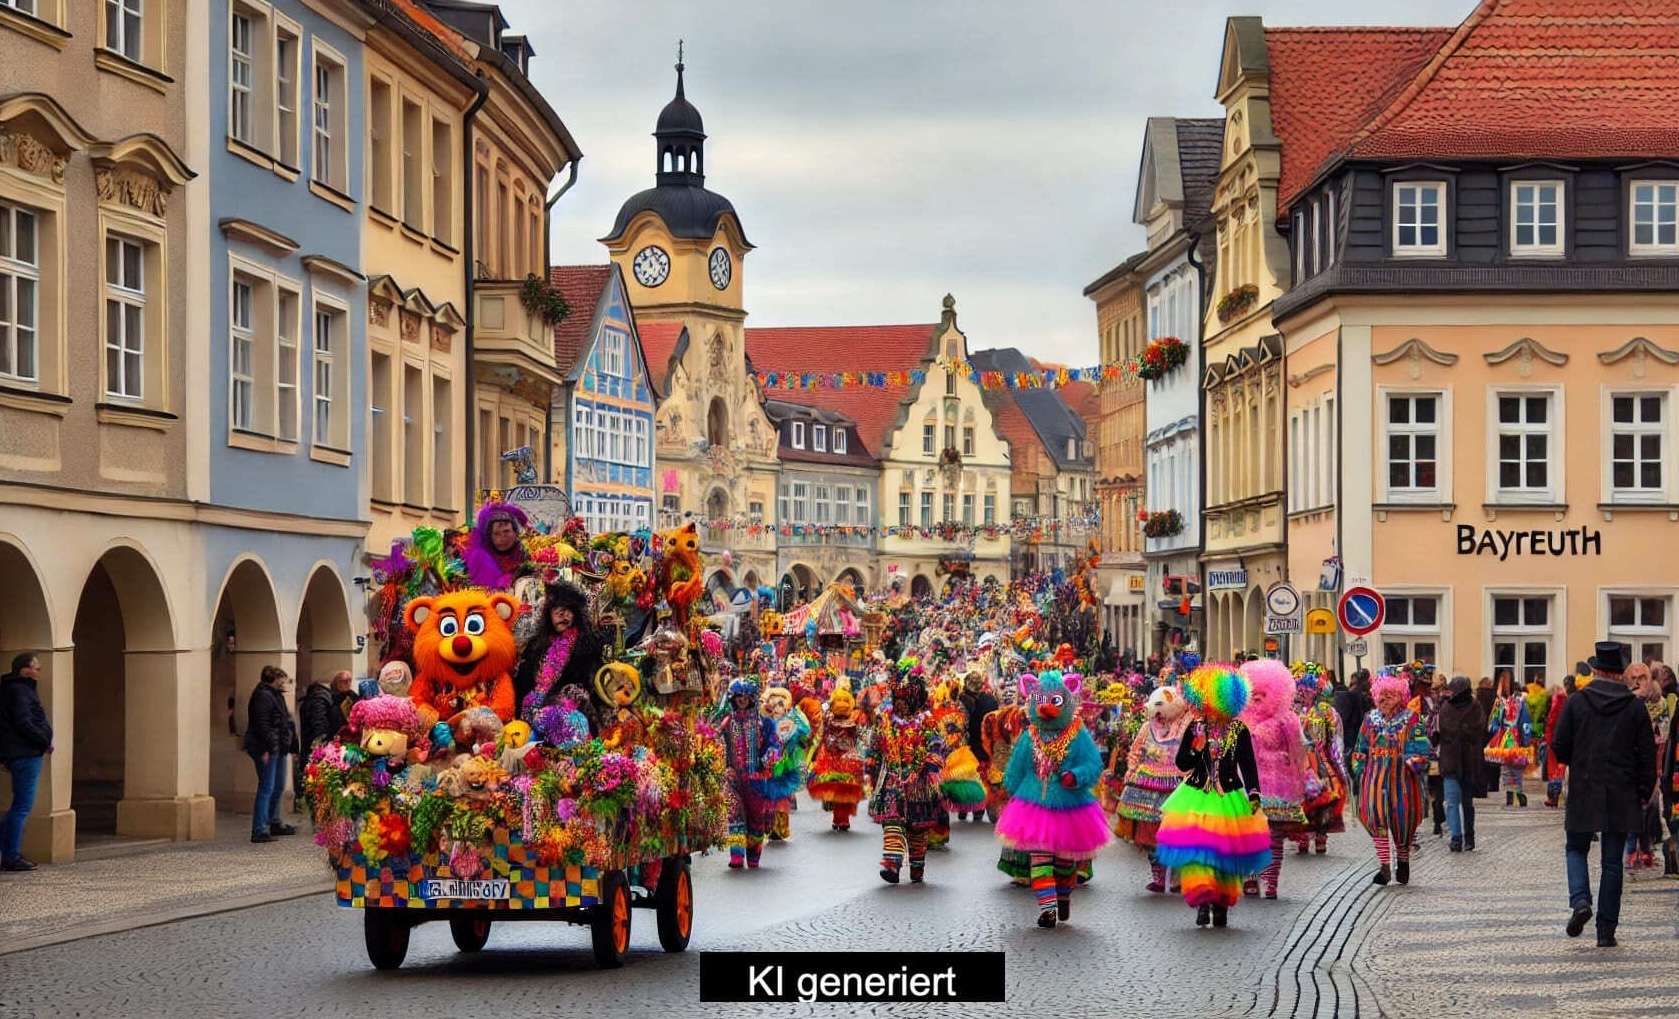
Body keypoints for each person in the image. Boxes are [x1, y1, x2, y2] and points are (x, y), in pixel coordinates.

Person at [1552, 642, 1655, 946]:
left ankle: (1581, 900)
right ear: (1620, 673)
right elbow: (1647, 756)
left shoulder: (1577, 702)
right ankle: (1606, 930)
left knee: (1576, 848)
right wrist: (1643, 791)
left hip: (1585, 785)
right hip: (1621, 790)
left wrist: (1579, 760)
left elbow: (1559, 746)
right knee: (1612, 862)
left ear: (1596, 670)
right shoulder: (1634, 707)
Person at [1155, 664, 1270, 929]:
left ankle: (1220, 906)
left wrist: (1254, 794)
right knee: (1198, 855)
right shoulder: (1195, 727)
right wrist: (1196, 750)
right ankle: (1203, 902)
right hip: (1195, 799)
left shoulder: (1239, 730)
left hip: (1228, 799)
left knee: (1225, 856)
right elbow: (1182, 763)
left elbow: (1248, 764)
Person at [1239, 659, 1310, 899]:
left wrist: (1300, 776)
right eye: (1253, 693)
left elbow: (1299, 750)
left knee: (1274, 835)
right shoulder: (1239, 720)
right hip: (1246, 784)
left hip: (1278, 785)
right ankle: (1249, 876)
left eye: (1263, 693)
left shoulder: (1286, 720)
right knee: (1247, 832)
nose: (1257, 697)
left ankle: (1270, 881)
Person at [1351, 672, 1431, 885]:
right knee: (1375, 819)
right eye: (1380, 695)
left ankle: (1403, 861)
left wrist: (1414, 760)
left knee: (1402, 821)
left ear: (1400, 696)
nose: (1383, 699)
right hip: (1374, 779)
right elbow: (1361, 746)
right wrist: (1358, 766)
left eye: (1389, 695)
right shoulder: (1370, 719)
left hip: (1402, 780)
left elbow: (1423, 748)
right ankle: (1384, 866)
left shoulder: (1412, 719)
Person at [513, 582, 603, 721]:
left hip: (573, 720)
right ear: (549, 613)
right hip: (532, 719)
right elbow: (522, 687)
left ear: (576, 614)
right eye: (557, 607)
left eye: (568, 609)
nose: (562, 614)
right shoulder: (535, 646)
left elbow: (593, 690)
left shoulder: (587, 647)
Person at [1, 654, 53, 872]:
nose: (39, 672)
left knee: (19, 806)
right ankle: (11, 856)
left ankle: (10, 852)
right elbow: (24, 721)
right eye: (36, 668)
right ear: (25, 670)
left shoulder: (16, 689)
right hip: (26, 753)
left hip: (20, 752)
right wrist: (43, 740)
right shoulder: (20, 690)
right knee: (21, 807)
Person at [243, 665, 298, 843]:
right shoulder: (263, 696)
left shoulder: (274, 694)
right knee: (266, 787)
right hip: (266, 747)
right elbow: (262, 725)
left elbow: (281, 721)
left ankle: (274, 821)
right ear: (274, 679)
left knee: (278, 786)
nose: (284, 682)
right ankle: (259, 829)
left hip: (278, 747)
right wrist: (266, 748)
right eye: (282, 679)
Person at [1435, 675, 1486, 852]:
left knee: (1467, 802)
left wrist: (1461, 731)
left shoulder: (1475, 706)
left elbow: (1478, 729)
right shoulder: (1446, 708)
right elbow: (1445, 730)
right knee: (1451, 801)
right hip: (1450, 761)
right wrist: (1461, 730)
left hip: (1469, 761)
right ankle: (1456, 837)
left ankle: (1469, 836)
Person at [957, 670, 998, 822]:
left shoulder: (964, 701)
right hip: (986, 743)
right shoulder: (991, 699)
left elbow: (961, 724)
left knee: (967, 776)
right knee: (983, 776)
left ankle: (965, 807)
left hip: (970, 744)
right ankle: (980, 808)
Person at [1333, 670, 1371, 758]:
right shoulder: (1368, 696)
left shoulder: (1348, 696)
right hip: (1361, 736)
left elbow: (1342, 719)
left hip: (1350, 737)